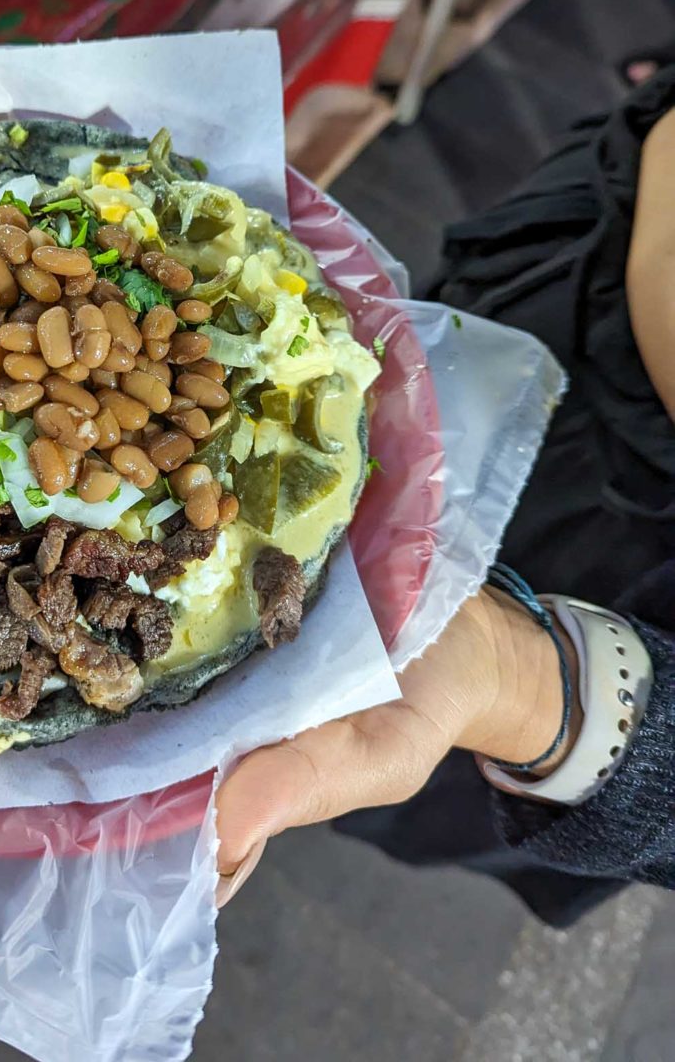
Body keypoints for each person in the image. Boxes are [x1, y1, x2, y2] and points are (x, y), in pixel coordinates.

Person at [217, 72, 675, 919]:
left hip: (626, 560)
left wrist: (535, 687)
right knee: (380, 433)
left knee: (386, 753)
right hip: (584, 251)